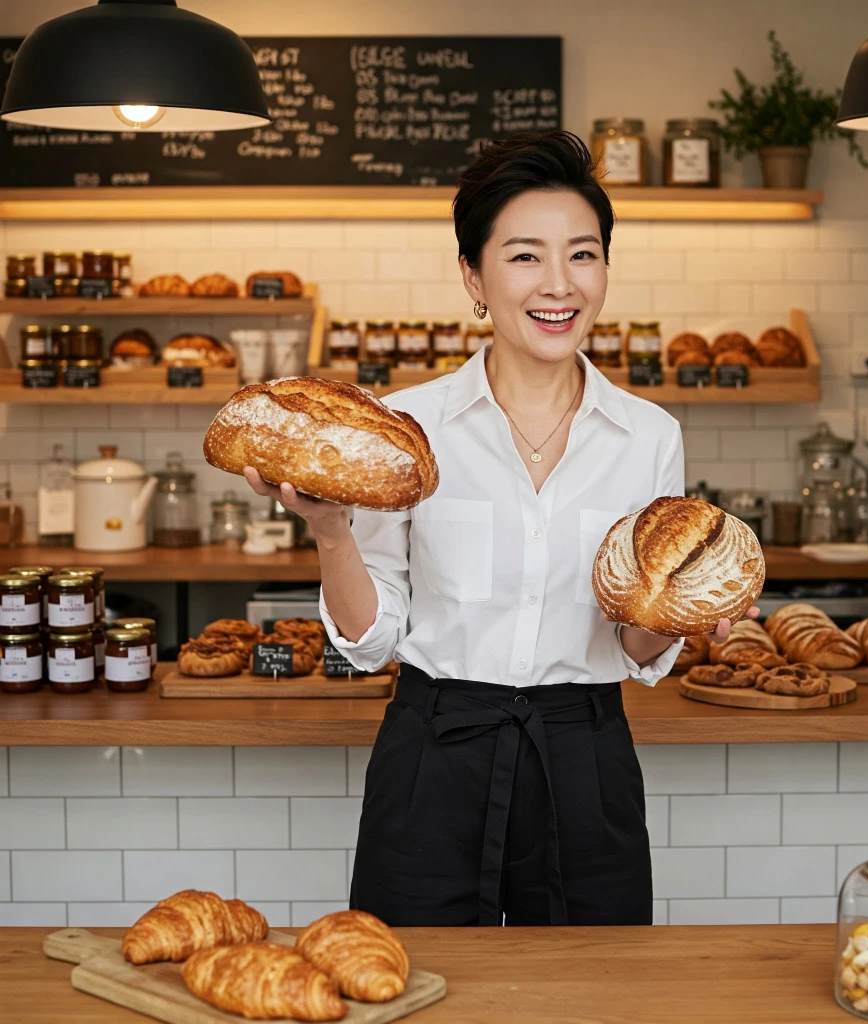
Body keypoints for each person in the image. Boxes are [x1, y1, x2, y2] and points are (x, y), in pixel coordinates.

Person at [244, 130, 758, 927]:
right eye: (525, 256)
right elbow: (373, 642)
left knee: (591, 998)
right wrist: (333, 533)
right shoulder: (406, 430)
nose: (559, 284)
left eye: (583, 255)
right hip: (434, 756)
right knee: (413, 987)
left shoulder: (649, 435)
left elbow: (633, 644)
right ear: (473, 276)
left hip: (585, 756)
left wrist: (681, 622)